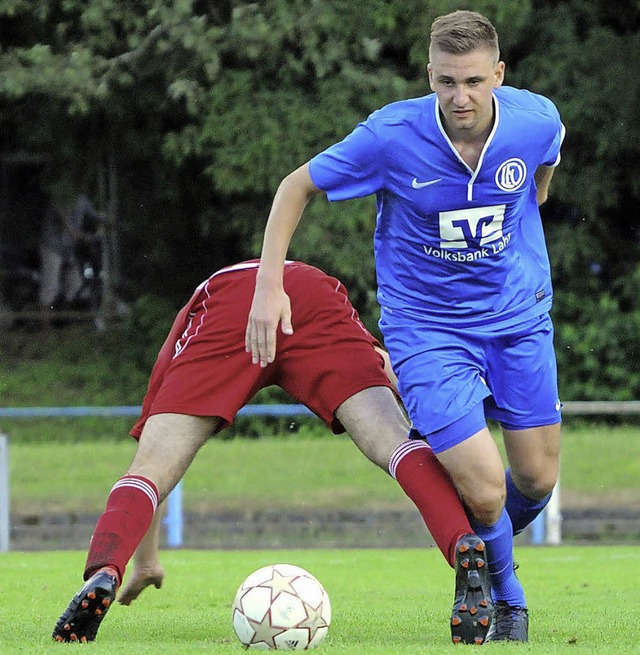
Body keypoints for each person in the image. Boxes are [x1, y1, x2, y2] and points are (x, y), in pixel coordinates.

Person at [246, 10, 565, 643]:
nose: (460, 97)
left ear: (498, 75)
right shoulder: (390, 136)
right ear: (429, 76)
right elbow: (295, 186)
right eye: (446, 82)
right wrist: (268, 284)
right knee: (480, 481)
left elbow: (542, 175)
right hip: (427, 332)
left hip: (516, 317)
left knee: (535, 479)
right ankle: (507, 598)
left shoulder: (535, 121)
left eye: (473, 81)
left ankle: (475, 540)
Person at [52, 260, 492, 645]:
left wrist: (140, 561)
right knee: (393, 442)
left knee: (152, 467)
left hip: (229, 307)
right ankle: (461, 543)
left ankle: (103, 569)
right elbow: (387, 365)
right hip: (314, 296)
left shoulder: (199, 304)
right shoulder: (313, 279)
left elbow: (151, 459)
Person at [39, 193, 104, 311]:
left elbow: (96, 216)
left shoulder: (82, 199)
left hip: (69, 250)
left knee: (75, 286)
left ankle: (66, 319)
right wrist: (80, 235)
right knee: (50, 286)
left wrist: (104, 225)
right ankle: (45, 325)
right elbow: (66, 224)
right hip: (53, 247)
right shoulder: (59, 197)